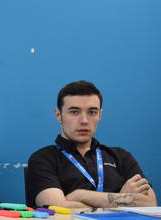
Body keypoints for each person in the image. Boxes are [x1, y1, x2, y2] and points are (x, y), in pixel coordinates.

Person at [26, 80, 156, 208]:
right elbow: (58, 207)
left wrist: (79, 195)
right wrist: (121, 199)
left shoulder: (121, 156)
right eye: (74, 112)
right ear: (58, 115)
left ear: (100, 115)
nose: (84, 121)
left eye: (92, 112)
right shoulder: (43, 159)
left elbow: (150, 203)